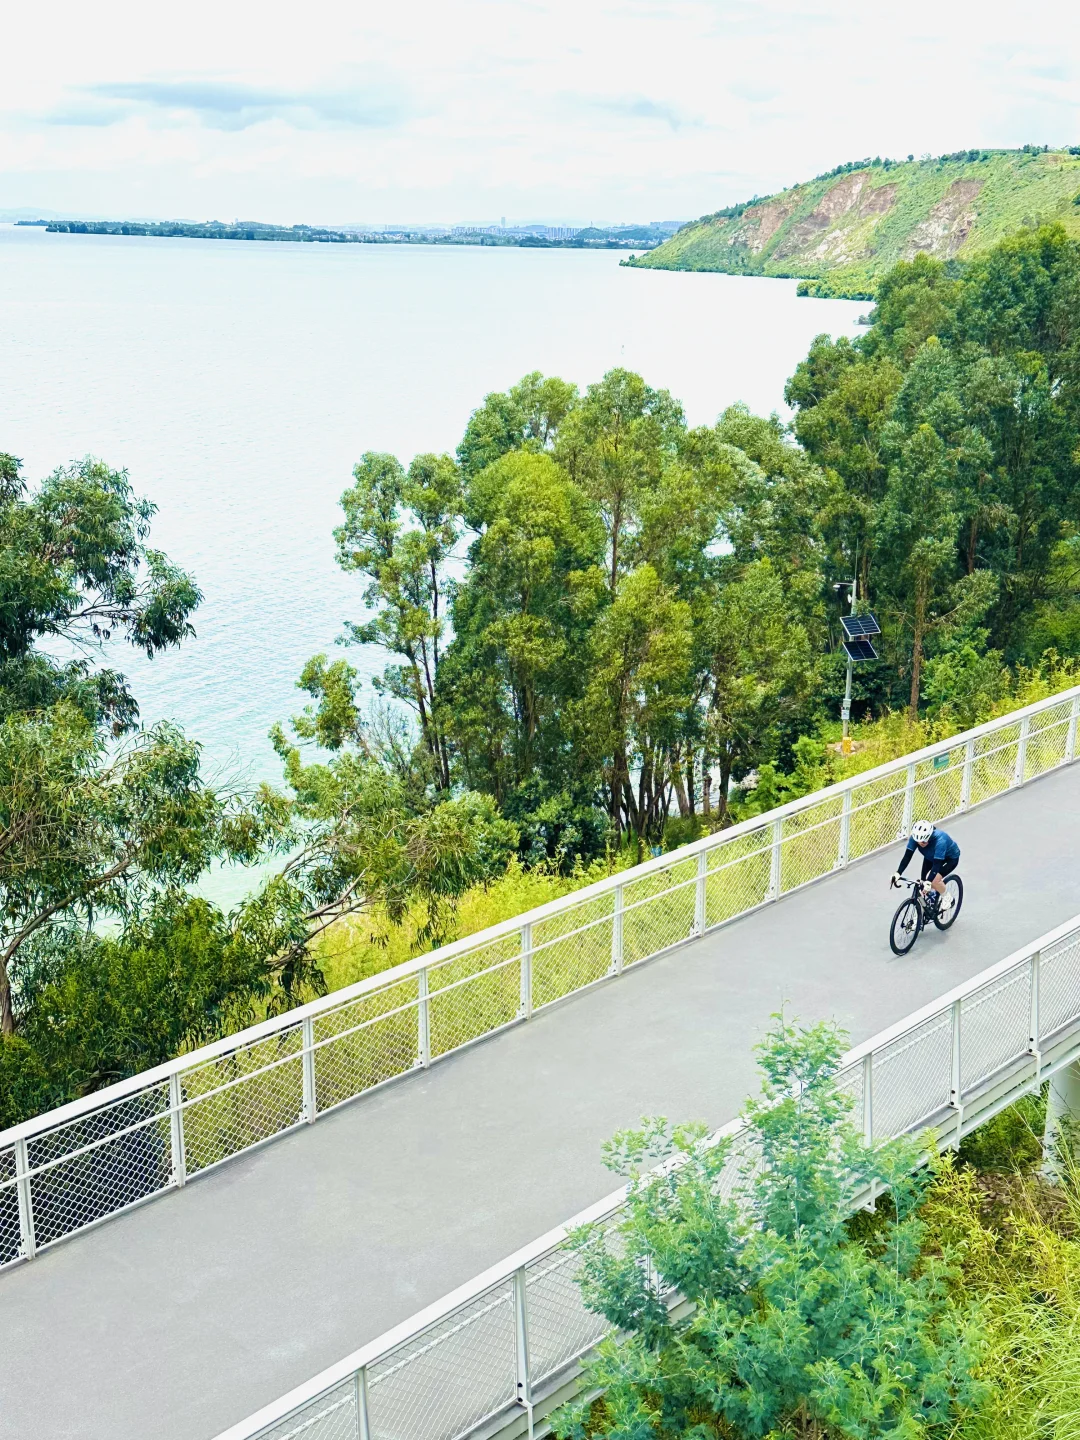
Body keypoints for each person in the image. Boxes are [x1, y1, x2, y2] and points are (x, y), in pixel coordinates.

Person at [891, 819, 960, 911]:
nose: (921, 843)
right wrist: (898, 873)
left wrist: (929, 882)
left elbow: (936, 865)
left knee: (933, 880)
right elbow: (907, 857)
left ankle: (947, 898)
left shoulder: (940, 840)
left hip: (949, 859)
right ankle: (923, 910)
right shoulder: (914, 838)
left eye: (924, 841)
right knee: (922, 883)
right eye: (919, 841)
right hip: (930, 857)